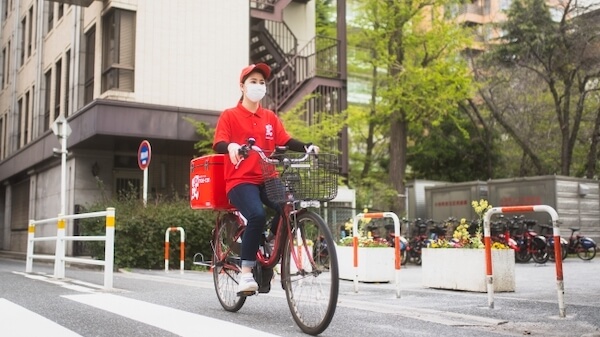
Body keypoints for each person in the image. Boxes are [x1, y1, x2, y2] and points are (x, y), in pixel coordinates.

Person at [213, 63, 318, 294]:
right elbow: (220, 142)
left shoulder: (269, 117)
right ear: (242, 86)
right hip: (240, 180)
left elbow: (286, 140)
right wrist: (231, 145)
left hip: (268, 176)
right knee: (256, 215)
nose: (258, 86)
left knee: (288, 207)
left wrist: (307, 147)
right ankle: (247, 273)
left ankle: (270, 240)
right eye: (253, 82)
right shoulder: (230, 115)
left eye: (262, 82)